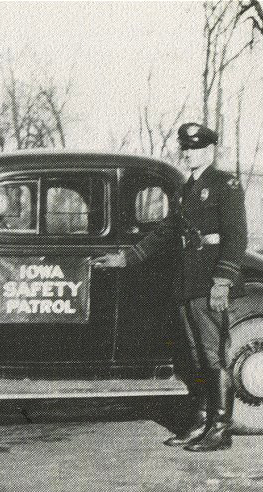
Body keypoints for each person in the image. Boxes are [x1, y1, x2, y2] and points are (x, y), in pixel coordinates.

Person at [92, 122, 247, 452]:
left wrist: (222, 282)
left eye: (195, 148)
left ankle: (221, 429)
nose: (188, 154)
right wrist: (127, 258)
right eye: (185, 149)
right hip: (186, 282)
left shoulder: (225, 184)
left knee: (213, 354)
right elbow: (165, 232)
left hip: (209, 283)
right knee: (193, 355)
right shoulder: (185, 189)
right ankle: (202, 421)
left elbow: (236, 238)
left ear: (210, 150)